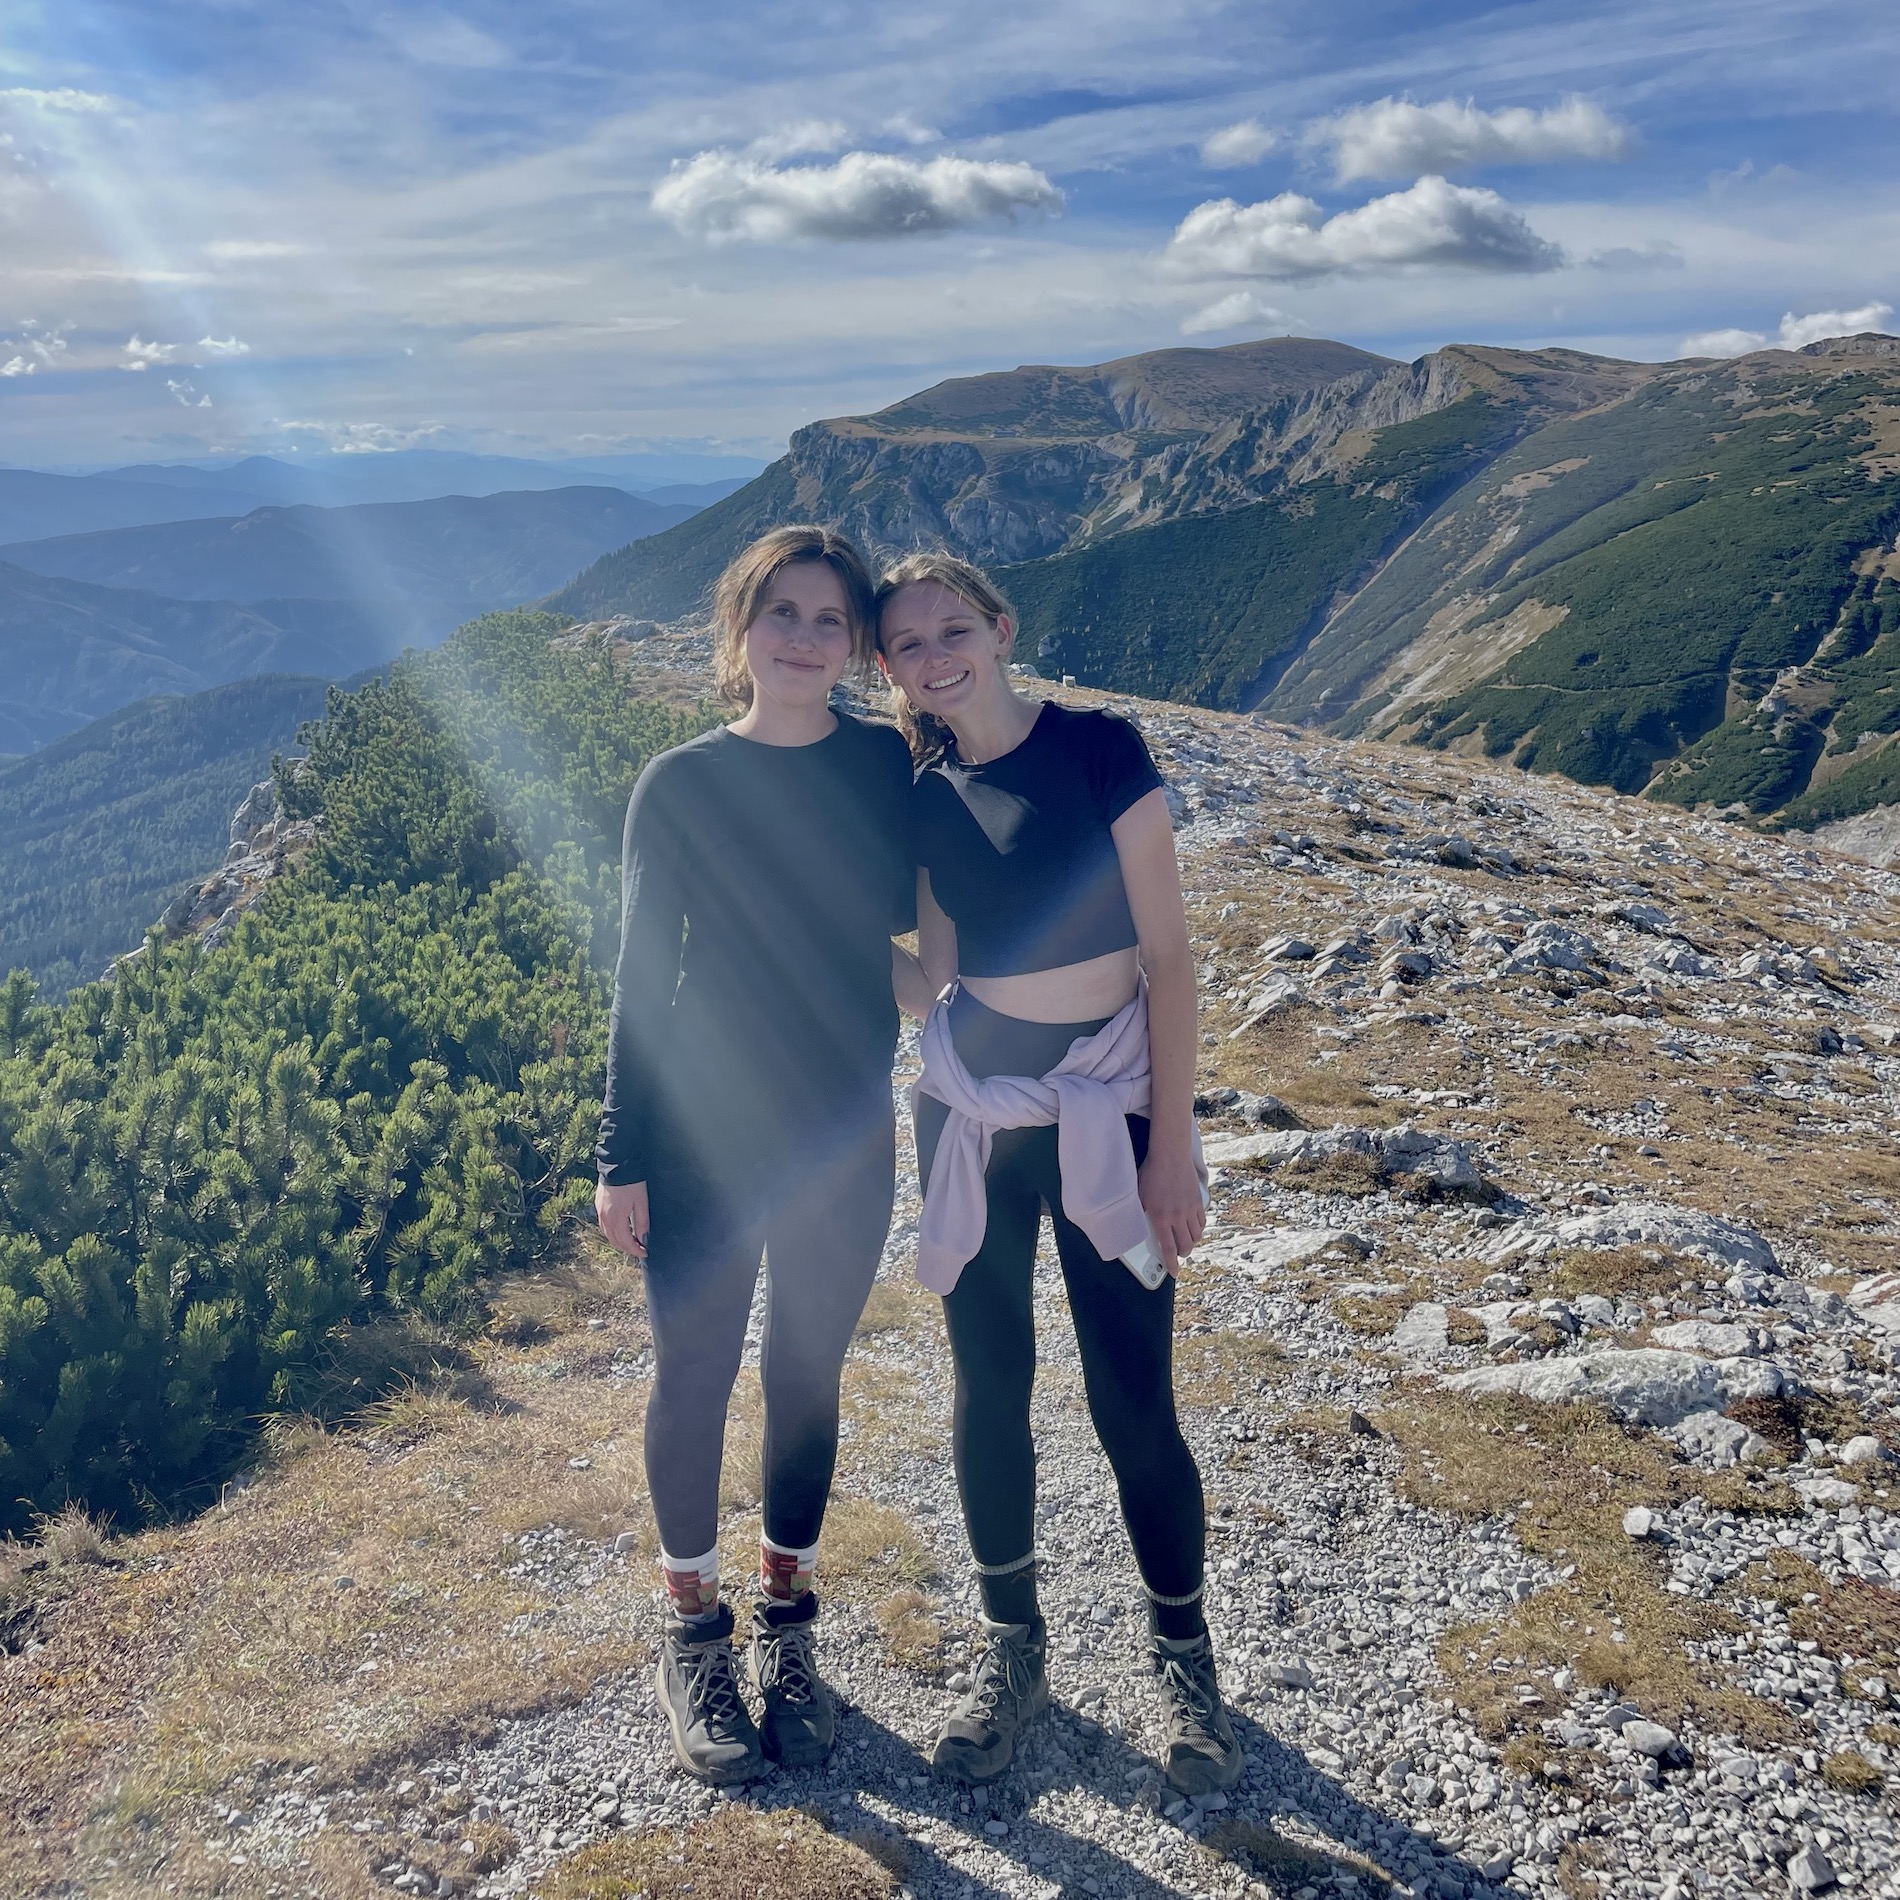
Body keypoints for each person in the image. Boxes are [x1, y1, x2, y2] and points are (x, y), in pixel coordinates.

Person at [877, 551, 1241, 1797]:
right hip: (971, 1115)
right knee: (989, 1388)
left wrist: (1170, 1146)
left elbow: (1169, 961)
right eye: (907, 643)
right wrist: (808, 934)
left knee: (1132, 1398)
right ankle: (1011, 1651)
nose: (935, 656)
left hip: (1108, 1110)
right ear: (892, 671)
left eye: (952, 629)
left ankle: (1183, 1660)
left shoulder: (1098, 749)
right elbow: (931, 980)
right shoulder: (926, 797)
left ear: (999, 627)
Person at [595, 525, 914, 1786]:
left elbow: (927, 912)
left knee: (806, 1374)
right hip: (702, 1135)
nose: (803, 637)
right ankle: (691, 1634)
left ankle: (787, 1626)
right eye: (782, 611)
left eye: (830, 618)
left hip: (843, 1129)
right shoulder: (679, 783)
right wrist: (621, 1153)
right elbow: (640, 982)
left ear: (856, 643)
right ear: (740, 627)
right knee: (695, 1375)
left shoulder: (884, 763)